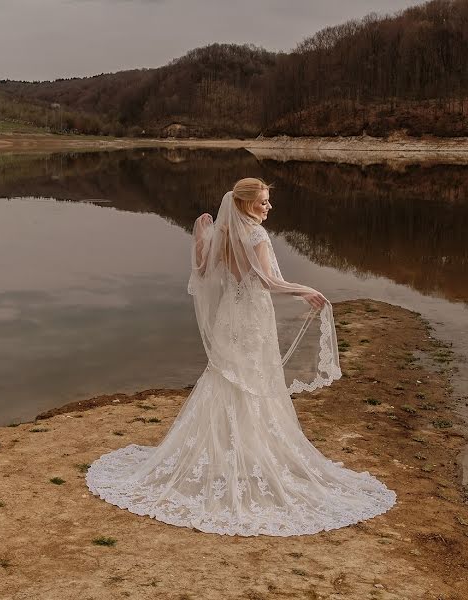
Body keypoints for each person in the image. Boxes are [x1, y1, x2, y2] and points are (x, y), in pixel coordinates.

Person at [85, 178, 395, 536]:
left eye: (267, 202)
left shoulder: (224, 235)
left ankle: (230, 450)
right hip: (251, 318)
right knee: (253, 379)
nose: (268, 208)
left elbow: (202, 272)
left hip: (230, 316)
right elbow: (269, 282)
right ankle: (247, 452)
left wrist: (200, 234)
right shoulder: (256, 238)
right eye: (263, 202)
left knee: (225, 377)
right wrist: (306, 289)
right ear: (246, 204)